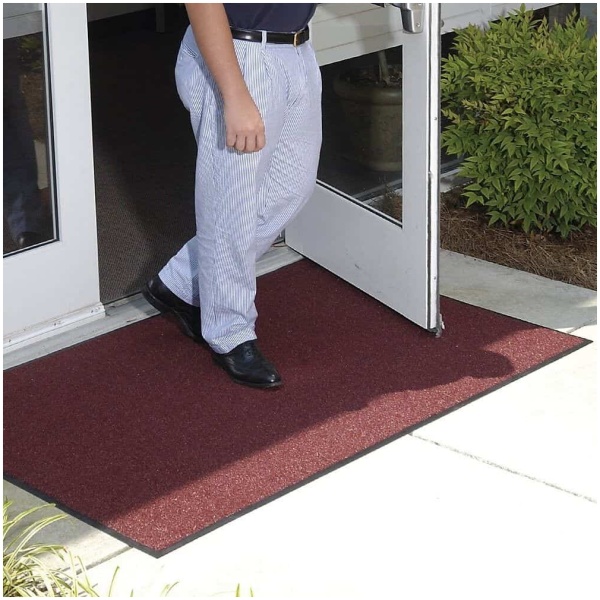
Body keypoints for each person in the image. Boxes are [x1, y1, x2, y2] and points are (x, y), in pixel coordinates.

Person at [143, 3, 322, 389]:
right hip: (239, 54)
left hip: (297, 48)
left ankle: (177, 282)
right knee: (232, 205)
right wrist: (235, 95)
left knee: (292, 187)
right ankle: (230, 331)